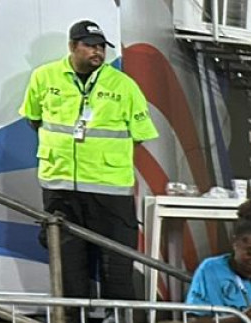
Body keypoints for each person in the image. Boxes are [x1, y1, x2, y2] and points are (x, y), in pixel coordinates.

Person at [21, 21, 158, 301]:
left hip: (109, 187)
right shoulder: (44, 77)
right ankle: (70, 320)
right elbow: (34, 119)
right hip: (60, 184)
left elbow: (140, 135)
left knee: (117, 260)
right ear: (72, 47)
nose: (97, 52)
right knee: (66, 257)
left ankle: (118, 321)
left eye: (100, 47)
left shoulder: (124, 85)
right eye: (89, 46)